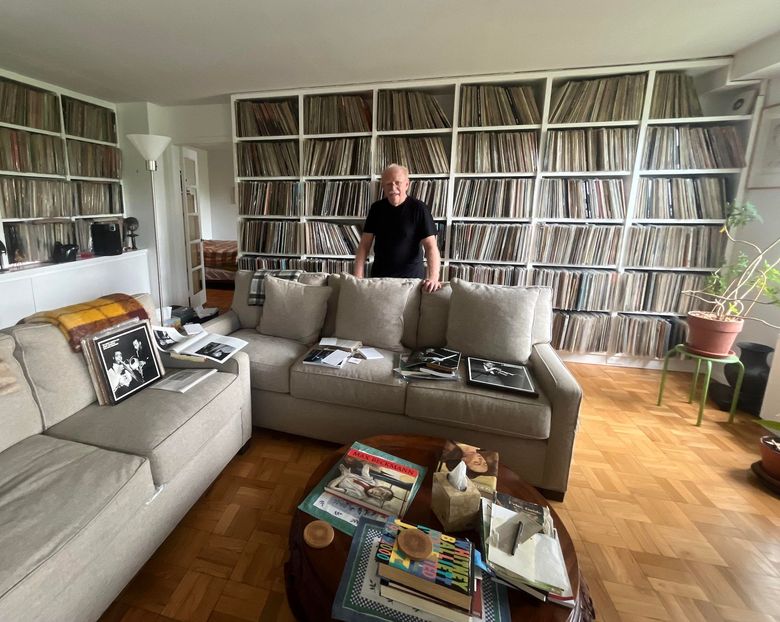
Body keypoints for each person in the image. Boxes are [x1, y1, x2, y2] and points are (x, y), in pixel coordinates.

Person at [354, 164, 442, 292]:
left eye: (397, 183)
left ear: (406, 184)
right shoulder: (376, 209)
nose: (393, 188)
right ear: (383, 186)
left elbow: (431, 246)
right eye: (388, 184)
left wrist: (433, 277)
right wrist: (358, 277)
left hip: (411, 282)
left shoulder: (419, 209)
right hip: (380, 281)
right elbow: (364, 246)